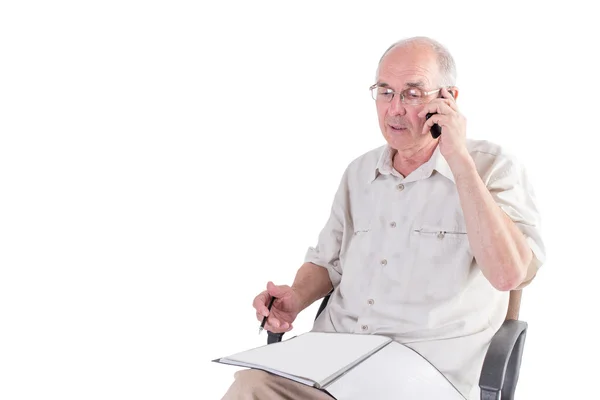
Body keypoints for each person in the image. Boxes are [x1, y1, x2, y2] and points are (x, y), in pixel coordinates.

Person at [221, 36, 545, 400]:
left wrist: (458, 160)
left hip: (425, 375)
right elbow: (327, 264)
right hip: (332, 363)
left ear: (448, 101)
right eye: (385, 92)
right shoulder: (359, 173)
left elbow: (511, 274)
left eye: (412, 93)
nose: (394, 109)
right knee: (250, 386)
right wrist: (294, 298)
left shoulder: (492, 167)